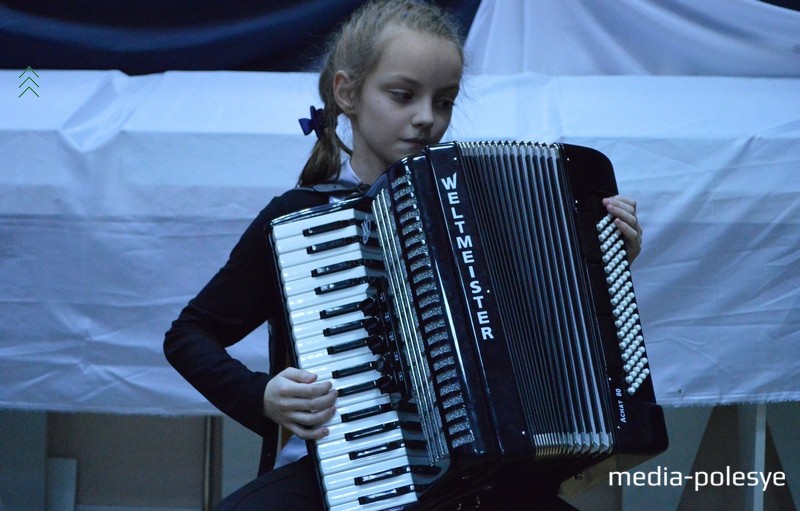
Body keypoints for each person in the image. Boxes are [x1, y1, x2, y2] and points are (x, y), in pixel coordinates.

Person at [163, 1, 644, 509]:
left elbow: (545, 334)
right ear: (347, 92)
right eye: (403, 95)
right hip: (353, 470)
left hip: (493, 473)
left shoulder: (489, 207)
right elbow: (190, 336)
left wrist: (603, 265)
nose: (425, 119)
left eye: (444, 101)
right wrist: (261, 395)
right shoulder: (302, 219)